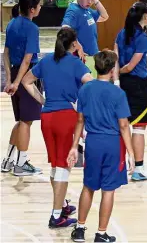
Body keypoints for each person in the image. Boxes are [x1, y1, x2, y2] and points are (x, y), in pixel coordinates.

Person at [21, 27, 93, 228]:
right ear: (74, 44)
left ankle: (60, 206)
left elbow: (27, 81)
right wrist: (81, 105)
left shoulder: (45, 60)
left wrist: (43, 101)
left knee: (56, 165)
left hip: (47, 118)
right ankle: (56, 216)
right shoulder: (76, 64)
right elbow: (90, 84)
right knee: (63, 167)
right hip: (65, 118)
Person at [68, 51, 135, 242]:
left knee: (88, 186)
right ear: (113, 69)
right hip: (112, 144)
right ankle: (101, 233)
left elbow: (79, 121)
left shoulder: (85, 89)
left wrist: (74, 146)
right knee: (108, 190)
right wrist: (131, 153)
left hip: (93, 143)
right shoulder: (118, 93)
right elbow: (123, 125)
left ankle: (80, 229)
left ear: (95, 67)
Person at [62, 0, 109, 167]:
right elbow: (65, 30)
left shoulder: (88, 10)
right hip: (80, 61)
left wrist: (95, 2)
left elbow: (105, 16)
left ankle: (84, 144)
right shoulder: (73, 10)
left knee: (89, 102)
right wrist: (78, 45)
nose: (89, 1)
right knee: (81, 103)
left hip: (91, 59)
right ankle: (78, 147)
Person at [113, 2, 147, 181]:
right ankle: (138, 168)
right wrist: (122, 71)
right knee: (138, 128)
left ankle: (120, 165)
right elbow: (131, 66)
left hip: (122, 84)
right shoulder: (142, 39)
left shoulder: (120, 34)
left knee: (121, 126)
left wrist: (115, 78)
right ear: (146, 16)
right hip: (138, 86)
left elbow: (115, 60)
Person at [1, 0, 43, 176]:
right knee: (26, 121)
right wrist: (18, 82)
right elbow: (27, 59)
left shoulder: (11, 23)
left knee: (20, 121)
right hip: (28, 76)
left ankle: (8, 161)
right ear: (32, 9)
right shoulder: (32, 28)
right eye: (39, 5)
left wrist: (9, 80)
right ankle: (21, 163)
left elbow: (6, 54)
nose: (40, 8)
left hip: (15, 73)